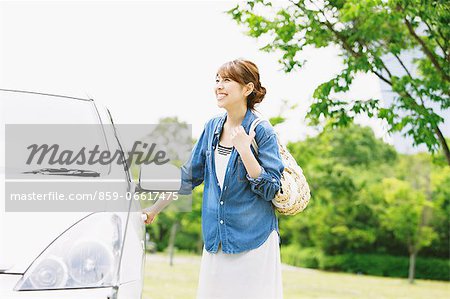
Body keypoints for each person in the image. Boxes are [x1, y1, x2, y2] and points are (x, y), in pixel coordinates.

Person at [143, 59, 284, 299]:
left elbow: (271, 188)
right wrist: (153, 210)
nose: (219, 86)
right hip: (217, 239)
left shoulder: (262, 131)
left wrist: (245, 151)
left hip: (253, 239)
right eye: (217, 80)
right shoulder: (212, 128)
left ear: (247, 89)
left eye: (227, 80)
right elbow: (188, 177)